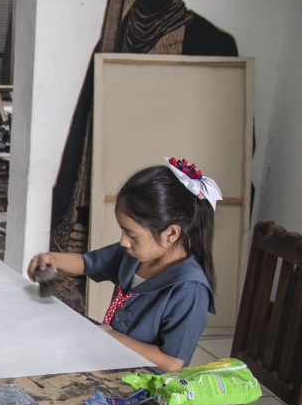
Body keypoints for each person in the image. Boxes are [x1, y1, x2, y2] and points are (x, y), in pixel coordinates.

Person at [49, 0, 237, 310]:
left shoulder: (211, 41)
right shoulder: (111, 40)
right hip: (122, 180)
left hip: (165, 194)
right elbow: (84, 129)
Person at [29, 159, 221, 371]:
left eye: (132, 234)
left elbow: (172, 362)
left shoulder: (190, 289)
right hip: (113, 361)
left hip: (144, 382)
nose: (123, 242)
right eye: (122, 231)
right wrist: (52, 259)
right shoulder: (135, 255)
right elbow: (87, 263)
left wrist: (111, 337)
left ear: (171, 234)